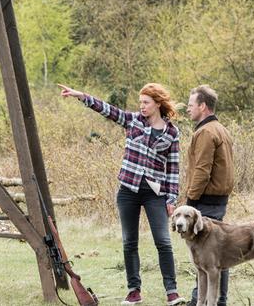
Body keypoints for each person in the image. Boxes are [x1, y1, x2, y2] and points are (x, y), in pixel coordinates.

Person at [59, 83, 186, 306]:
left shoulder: (172, 133)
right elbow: (107, 109)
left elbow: (173, 169)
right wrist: (81, 96)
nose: (142, 106)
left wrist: (171, 198)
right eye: (140, 103)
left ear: (157, 104)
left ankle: (172, 292)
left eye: (146, 102)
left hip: (155, 194)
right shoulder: (134, 121)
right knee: (130, 242)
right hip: (128, 190)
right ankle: (134, 291)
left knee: (163, 242)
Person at [185, 85, 234, 306]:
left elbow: (202, 170)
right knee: (218, 253)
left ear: (202, 106)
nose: (188, 109)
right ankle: (215, 299)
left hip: (206, 201)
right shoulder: (220, 128)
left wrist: (190, 202)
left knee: (206, 254)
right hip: (218, 199)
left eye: (190, 105)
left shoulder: (205, 132)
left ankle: (203, 300)